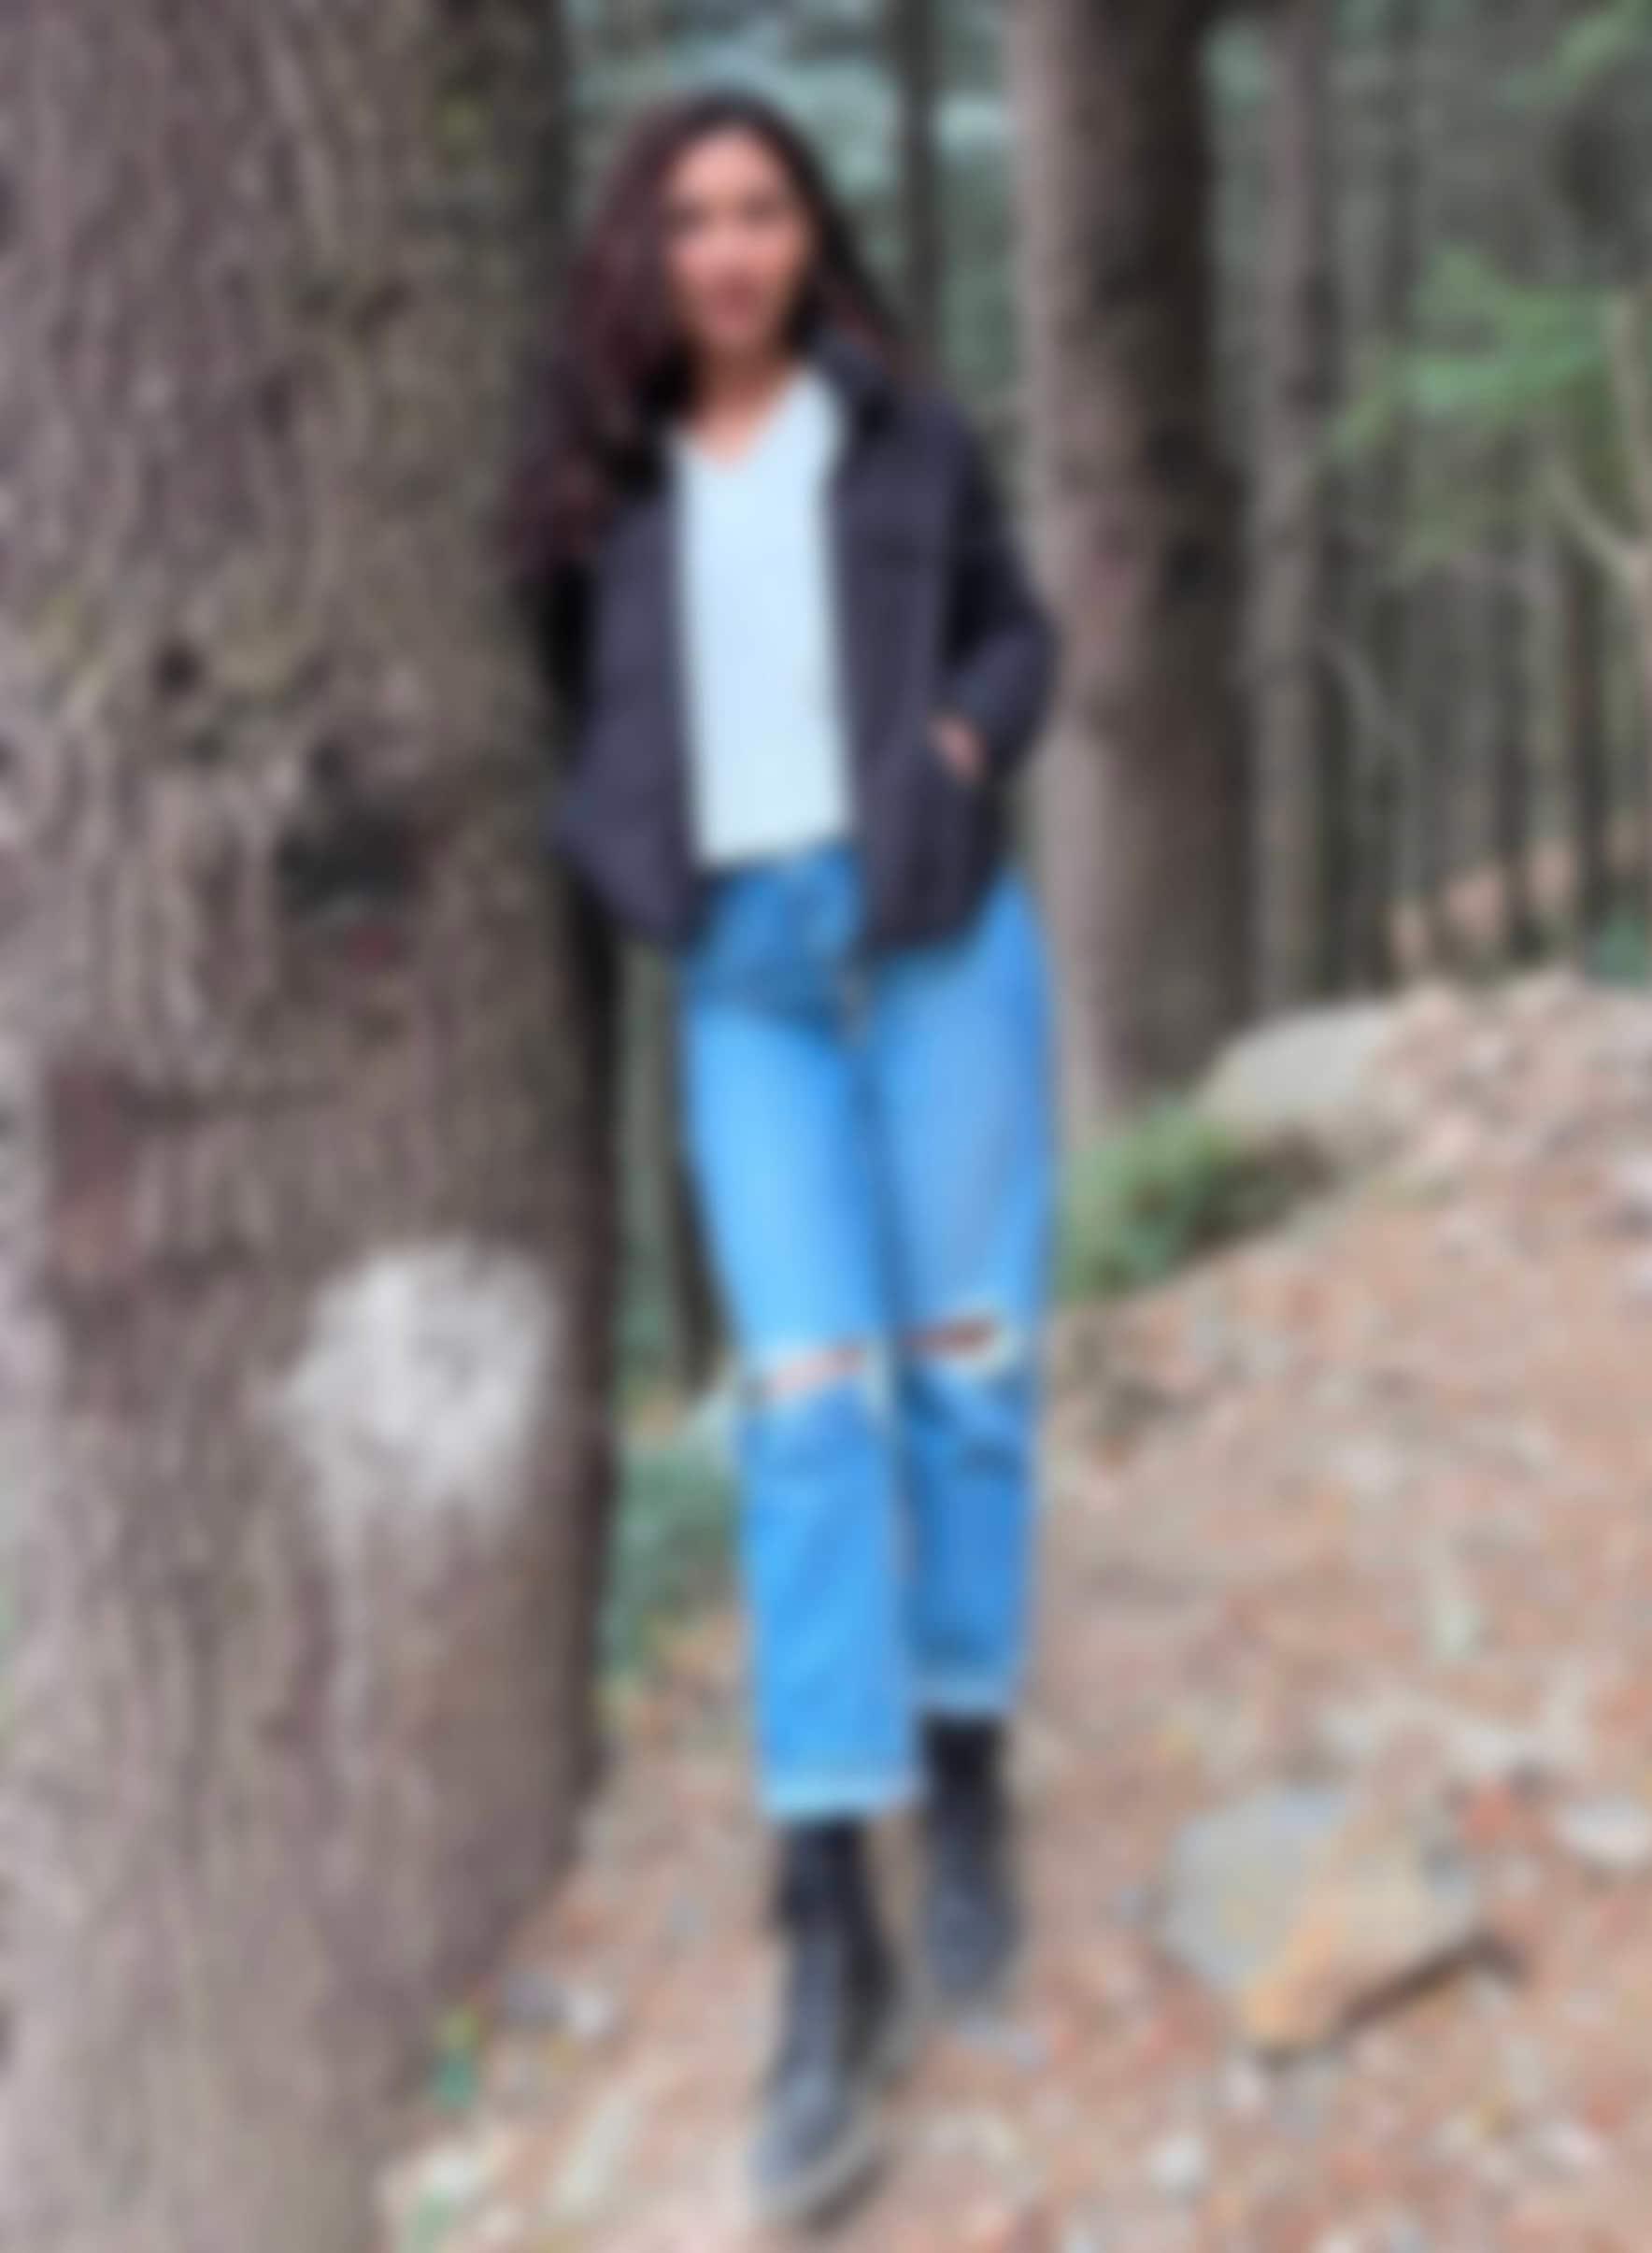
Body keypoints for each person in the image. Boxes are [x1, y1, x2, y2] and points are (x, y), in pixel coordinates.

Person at [507, 86, 1061, 2226]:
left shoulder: (904, 436)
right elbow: (564, 701)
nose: (728, 250)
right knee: (810, 1410)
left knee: (966, 1370)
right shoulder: (602, 482)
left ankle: (968, 1766)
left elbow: (1018, 628)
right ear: (642, 254)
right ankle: (831, 1914)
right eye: (688, 219)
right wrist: (622, 851)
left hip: (934, 944)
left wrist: (964, 737)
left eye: (761, 211)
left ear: (810, 234)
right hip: (743, 977)